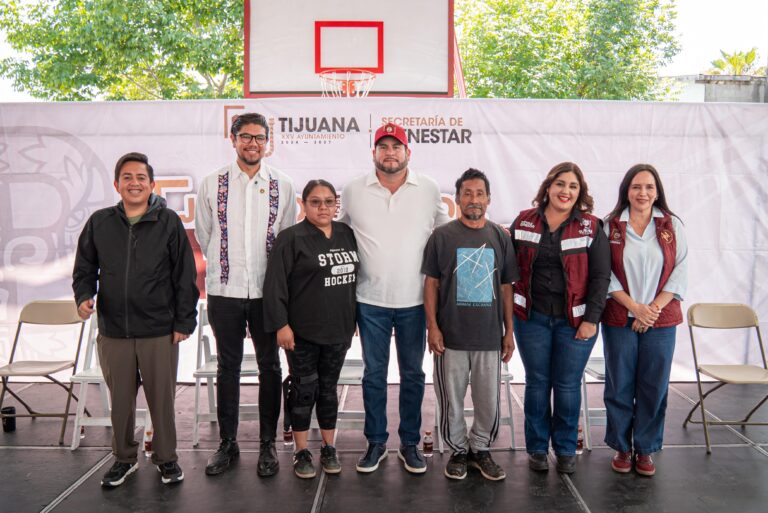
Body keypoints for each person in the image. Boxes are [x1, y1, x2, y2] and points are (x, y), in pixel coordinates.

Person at [72, 152, 199, 487]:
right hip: (114, 330)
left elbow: (185, 275)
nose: (134, 183)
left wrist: (184, 322)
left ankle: (166, 458)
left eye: (141, 177)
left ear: (152, 184)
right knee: (121, 405)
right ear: (117, 184)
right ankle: (124, 458)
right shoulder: (100, 222)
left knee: (162, 402)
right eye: (127, 177)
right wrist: (84, 297)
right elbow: (84, 269)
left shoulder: (169, 221)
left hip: (158, 328)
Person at [340, 122, 451, 474]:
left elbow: (446, 235)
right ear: (373, 153)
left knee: (413, 375)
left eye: (396, 147)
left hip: (415, 301)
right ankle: (375, 443)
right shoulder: (354, 190)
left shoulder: (429, 188)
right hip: (369, 300)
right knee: (373, 374)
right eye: (383, 147)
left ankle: (409, 444)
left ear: (408, 153)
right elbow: (339, 233)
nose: (390, 153)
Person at [195, 112, 298, 477]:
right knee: (228, 367)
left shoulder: (283, 185)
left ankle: (268, 444)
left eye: (259, 137)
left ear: (268, 141)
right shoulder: (212, 183)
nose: (252, 143)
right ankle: (228, 443)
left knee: (271, 366)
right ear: (233, 139)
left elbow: (287, 241)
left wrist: (280, 291)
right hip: (225, 291)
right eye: (245, 137)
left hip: (268, 294)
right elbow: (207, 234)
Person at [511, 161, 610, 474]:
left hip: (576, 323)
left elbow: (601, 277)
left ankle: (566, 448)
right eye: (560, 184)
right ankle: (537, 448)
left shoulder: (591, 227)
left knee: (566, 386)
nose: (566, 191)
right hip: (531, 319)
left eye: (573, 186)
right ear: (548, 187)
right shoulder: (524, 221)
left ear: (580, 192)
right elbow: (507, 268)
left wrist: (591, 319)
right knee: (537, 383)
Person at [423, 169, 518, 481]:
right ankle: (458, 450)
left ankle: (480, 450)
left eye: (479, 193)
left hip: (489, 337)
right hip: (450, 336)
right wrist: (432, 327)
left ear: (489, 199)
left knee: (487, 399)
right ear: (458, 198)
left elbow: (506, 288)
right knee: (450, 398)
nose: (474, 199)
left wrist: (509, 332)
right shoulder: (442, 237)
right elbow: (432, 284)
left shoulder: (500, 238)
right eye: (467, 193)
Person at [263, 179, 359, 479]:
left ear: (336, 204)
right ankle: (301, 451)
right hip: (301, 333)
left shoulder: (346, 234)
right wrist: (281, 325)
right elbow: (275, 285)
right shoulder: (291, 238)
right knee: (304, 391)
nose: (323, 207)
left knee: (329, 391)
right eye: (315, 202)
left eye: (329, 201)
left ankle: (329, 448)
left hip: (338, 331)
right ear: (303, 205)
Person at [601, 164, 687, 477]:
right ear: (626, 190)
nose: (643, 193)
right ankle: (622, 446)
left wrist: (650, 310)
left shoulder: (671, 224)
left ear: (657, 191)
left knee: (653, 386)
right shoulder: (609, 225)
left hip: (660, 321)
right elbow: (603, 273)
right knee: (619, 384)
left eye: (649, 187)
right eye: (637, 187)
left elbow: (681, 269)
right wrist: (635, 308)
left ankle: (646, 448)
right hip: (619, 317)